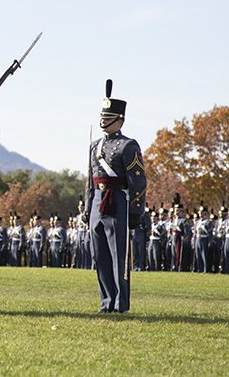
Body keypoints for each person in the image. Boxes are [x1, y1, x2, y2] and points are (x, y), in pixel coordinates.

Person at [82, 79, 147, 313]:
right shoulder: (94, 146)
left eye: (109, 115)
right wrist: (88, 208)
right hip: (98, 203)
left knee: (119, 256)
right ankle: (106, 301)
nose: (104, 119)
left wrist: (136, 213)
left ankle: (120, 304)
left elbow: (138, 181)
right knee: (99, 257)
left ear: (119, 119)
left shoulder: (128, 145)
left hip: (118, 202)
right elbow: (89, 181)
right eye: (103, 114)